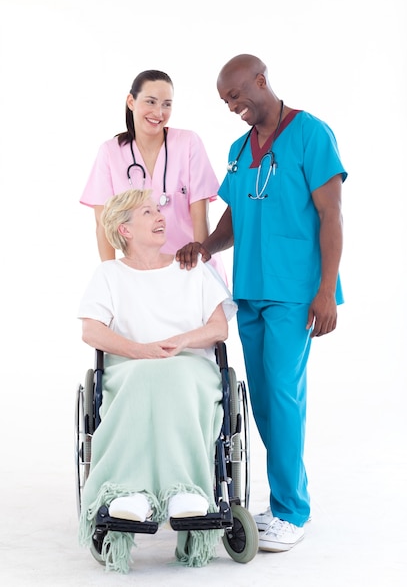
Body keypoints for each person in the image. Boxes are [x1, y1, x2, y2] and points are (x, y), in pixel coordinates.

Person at [176, 54, 347, 553]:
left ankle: (293, 511)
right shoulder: (239, 147)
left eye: (237, 95)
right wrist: (205, 246)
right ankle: (284, 501)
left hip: (295, 292)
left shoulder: (311, 133)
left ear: (261, 80)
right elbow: (234, 214)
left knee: (284, 398)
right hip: (249, 290)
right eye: (226, 101)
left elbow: (331, 215)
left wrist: (325, 289)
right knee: (266, 403)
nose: (233, 106)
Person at [77, 188, 236, 573]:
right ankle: (131, 491)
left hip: (190, 368)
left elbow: (219, 328)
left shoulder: (192, 267)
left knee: (173, 375)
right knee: (147, 378)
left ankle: (185, 490)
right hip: (130, 367)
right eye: (147, 212)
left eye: (158, 209)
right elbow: (91, 331)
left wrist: (181, 341)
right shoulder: (109, 274)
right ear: (124, 229)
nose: (161, 215)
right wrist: (139, 350)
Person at [80, 69, 225, 279]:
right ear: (131, 101)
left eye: (167, 104)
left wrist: (200, 273)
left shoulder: (188, 143)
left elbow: (201, 219)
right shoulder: (110, 153)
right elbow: (103, 224)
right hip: (141, 276)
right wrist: (111, 280)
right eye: (151, 102)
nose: (159, 112)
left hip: (189, 268)